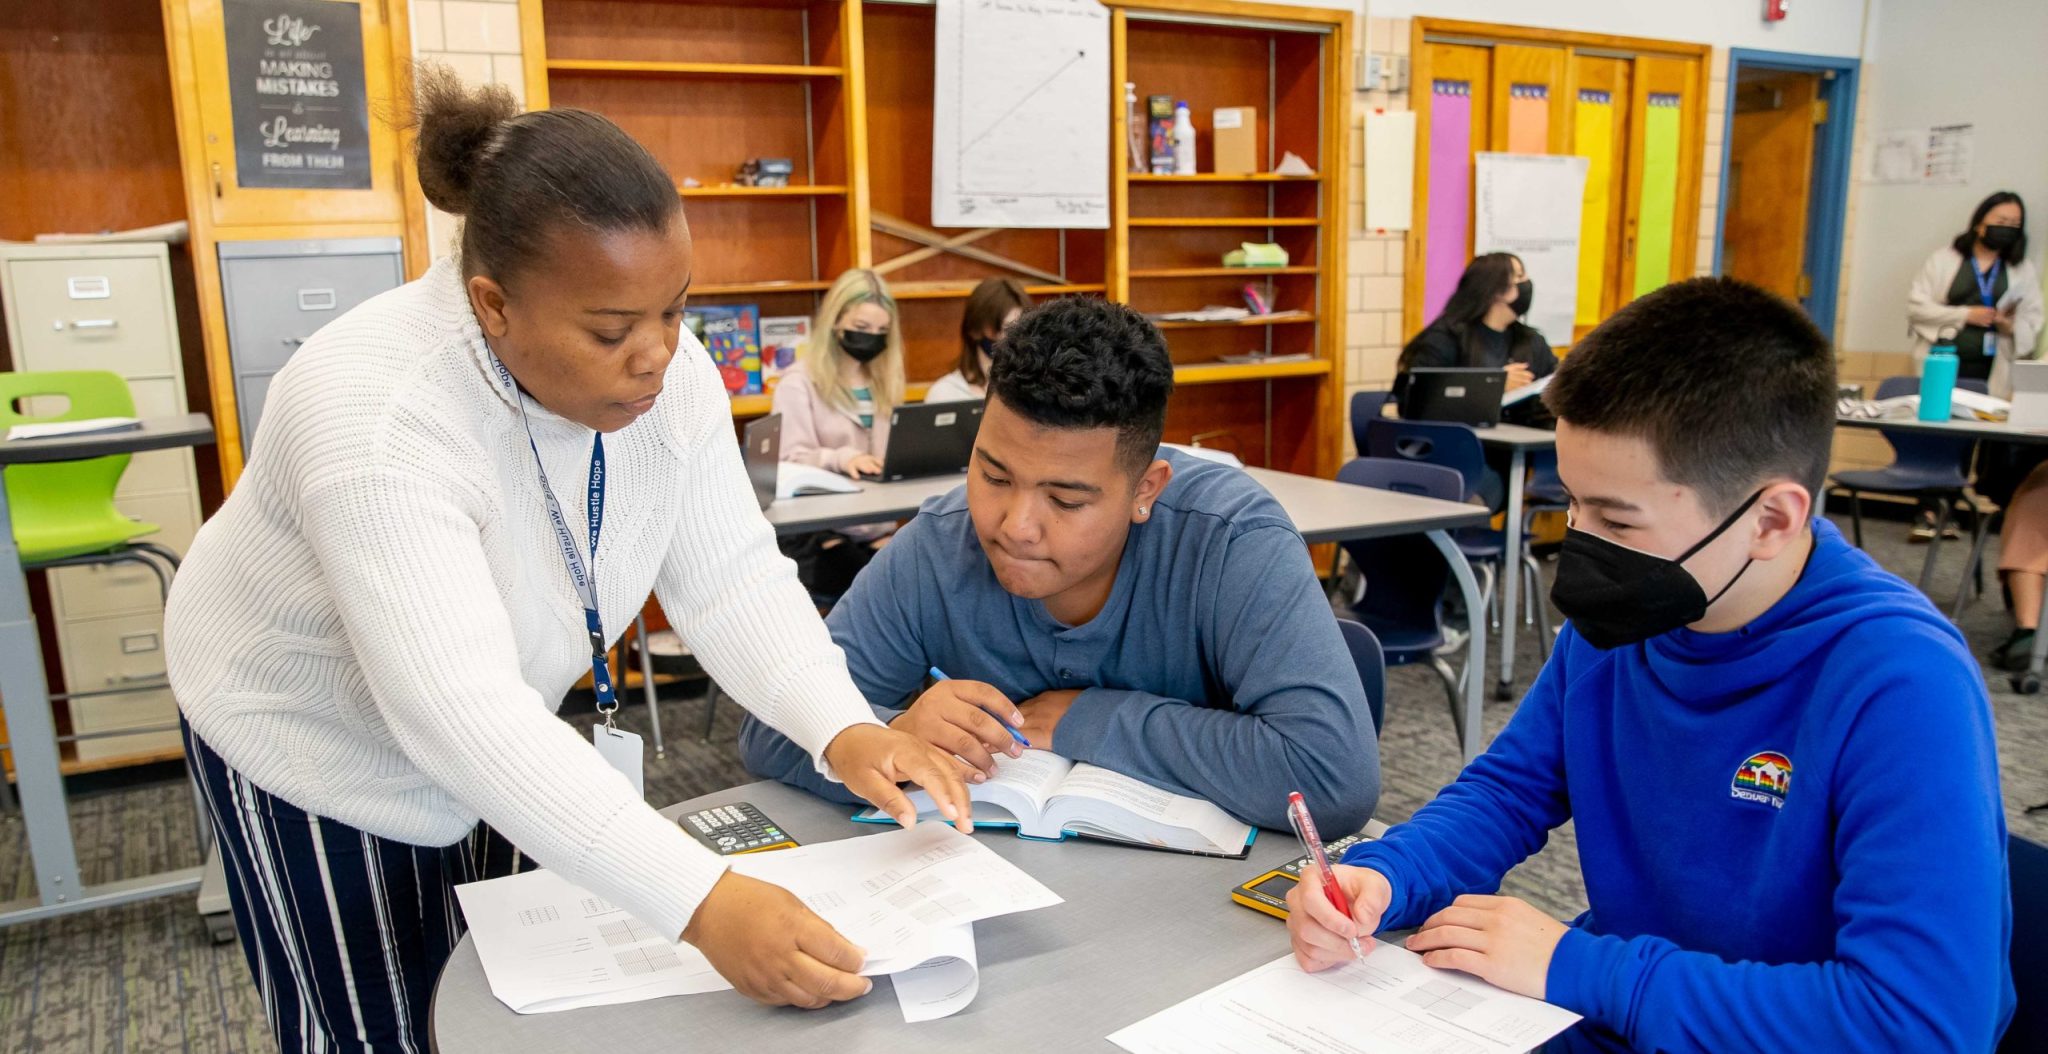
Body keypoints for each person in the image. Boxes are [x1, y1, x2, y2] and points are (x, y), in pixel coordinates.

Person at [164, 69, 971, 1052]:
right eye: (611, 330)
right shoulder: (374, 411)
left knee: (507, 996)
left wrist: (840, 726)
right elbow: (456, 710)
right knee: (373, 1023)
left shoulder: (668, 385)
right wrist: (701, 900)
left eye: (674, 311)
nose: (657, 356)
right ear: (492, 304)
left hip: (500, 721)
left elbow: (728, 581)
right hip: (312, 734)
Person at [1287, 277, 2013, 1052]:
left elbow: (1920, 1023)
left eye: (1615, 519)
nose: (1580, 544)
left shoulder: (1900, 683)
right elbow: (1511, 789)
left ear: (1771, 519)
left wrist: (1587, 969)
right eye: (1573, 504)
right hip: (1630, 1007)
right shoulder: (1632, 620)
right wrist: (1388, 873)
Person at [738, 297, 1380, 833]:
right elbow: (769, 733)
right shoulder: (940, 544)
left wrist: (1093, 719)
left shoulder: (1231, 543)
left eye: (1065, 499)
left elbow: (1332, 778)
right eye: (991, 474)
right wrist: (891, 734)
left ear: (1145, 490)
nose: (1014, 526)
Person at [1907, 191, 2044, 542]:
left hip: (1990, 370)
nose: (2007, 229)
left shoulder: (2020, 269)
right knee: (1936, 435)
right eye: (2001, 222)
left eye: (2015, 224)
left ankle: (1954, 508)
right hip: (1942, 362)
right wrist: (1965, 314)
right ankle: (1929, 510)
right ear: (1980, 222)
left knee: (1972, 440)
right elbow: (1918, 306)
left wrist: (2007, 325)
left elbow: (2033, 320)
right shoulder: (1945, 259)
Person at [770, 268, 908, 594]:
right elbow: (788, 460)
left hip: (876, 526)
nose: (871, 337)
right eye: (861, 327)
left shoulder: (884, 382)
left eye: (881, 330)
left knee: (919, 580)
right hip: (819, 533)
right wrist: (841, 458)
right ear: (836, 321)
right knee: (877, 589)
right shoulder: (798, 383)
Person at [1395, 252, 1558, 508]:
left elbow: (1555, 387)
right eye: (1519, 276)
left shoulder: (1530, 342)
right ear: (1497, 290)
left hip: (1505, 458)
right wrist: (1493, 386)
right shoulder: (1445, 337)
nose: (1527, 283)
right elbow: (1415, 401)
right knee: (1465, 493)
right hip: (1446, 454)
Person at [925, 277, 1030, 403]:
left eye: (1020, 328)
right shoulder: (944, 394)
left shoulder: (1034, 391)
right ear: (975, 330)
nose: (1013, 338)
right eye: (1005, 328)